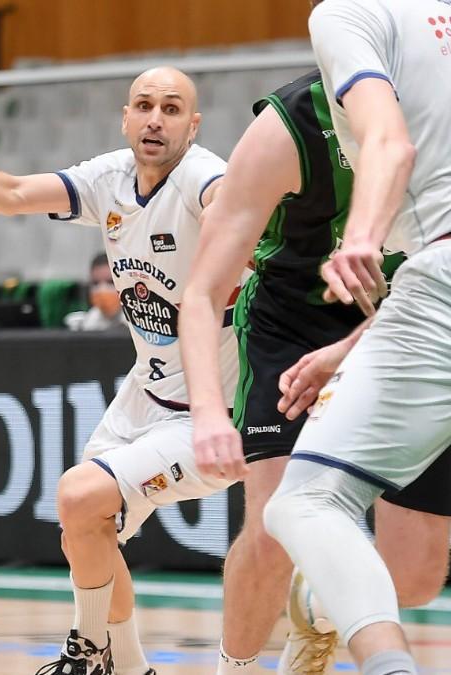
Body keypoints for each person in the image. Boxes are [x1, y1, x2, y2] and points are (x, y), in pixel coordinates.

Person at [0, 66, 231, 675]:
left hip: (210, 414)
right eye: (144, 105)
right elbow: (15, 193)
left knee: (78, 495)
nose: (155, 118)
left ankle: (84, 651)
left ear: (193, 124)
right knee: (84, 532)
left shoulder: (203, 176)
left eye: (172, 108)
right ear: (125, 117)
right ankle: (128, 668)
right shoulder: (112, 178)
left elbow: (229, 206)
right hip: (142, 395)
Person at [179, 67, 451, 674]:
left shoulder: (437, 107)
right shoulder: (289, 123)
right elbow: (203, 290)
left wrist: (350, 351)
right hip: (291, 322)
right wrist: (205, 414)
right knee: (277, 526)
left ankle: (318, 604)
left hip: (405, 319)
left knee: (416, 579)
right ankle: (237, 668)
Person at [251, 1, 451, 673]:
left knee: (306, 500)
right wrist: (346, 347)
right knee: (414, 574)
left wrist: (361, 237)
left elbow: (390, 141)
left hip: (441, 273)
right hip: (421, 297)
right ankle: (327, 602)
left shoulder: (347, 13)